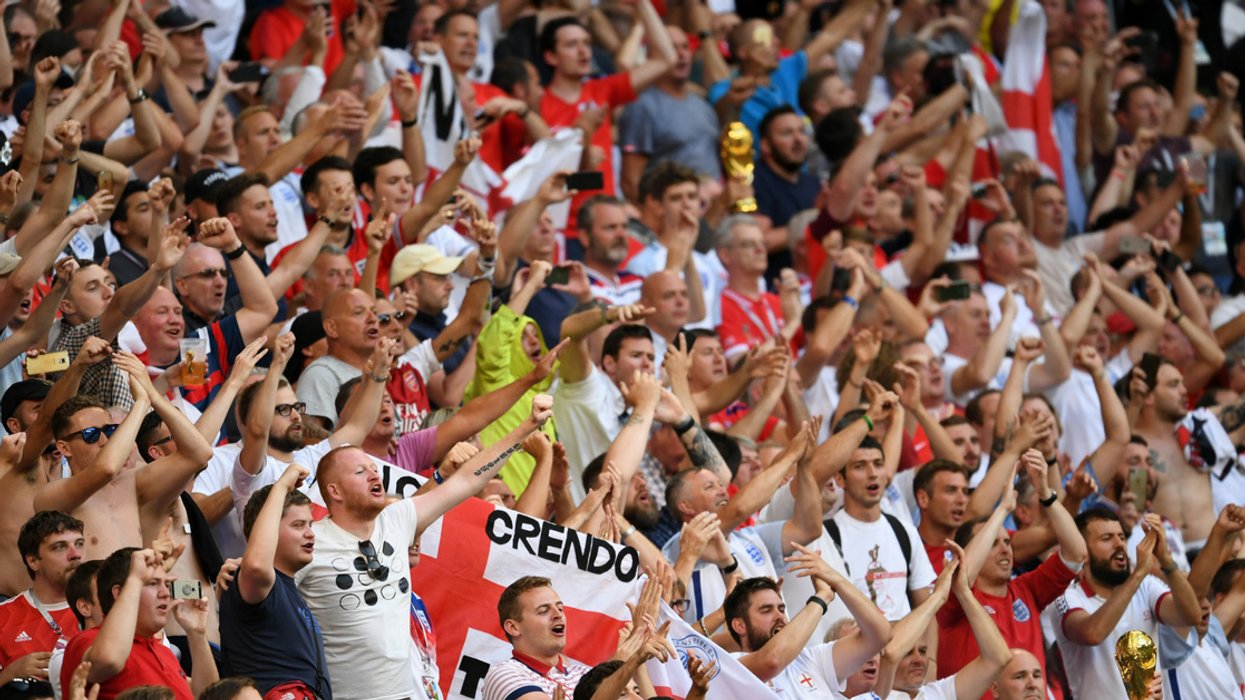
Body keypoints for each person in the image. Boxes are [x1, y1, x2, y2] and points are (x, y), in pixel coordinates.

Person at [295, 395, 553, 700]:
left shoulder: (397, 518)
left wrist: (526, 426)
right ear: (334, 491)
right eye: (361, 472)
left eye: (373, 467)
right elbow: (264, 594)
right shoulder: (311, 542)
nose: (374, 474)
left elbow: (469, 480)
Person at [1050, 507, 1202, 699]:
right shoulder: (1067, 597)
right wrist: (1138, 573)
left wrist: (1165, 559)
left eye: (1121, 537)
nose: (1119, 544)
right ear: (1083, 551)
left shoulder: (1145, 585)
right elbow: (1092, 634)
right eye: (1107, 538)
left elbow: (1191, 616)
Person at [219, 464, 328, 698]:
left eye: (310, 524)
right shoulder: (253, 579)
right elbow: (257, 565)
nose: (310, 533)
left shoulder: (286, 588)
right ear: (266, 529)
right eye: (298, 525)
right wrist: (281, 487)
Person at [726, 545, 891, 695]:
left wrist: (836, 580)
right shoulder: (730, 664)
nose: (779, 616)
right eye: (766, 610)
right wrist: (822, 597)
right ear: (740, 625)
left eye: (781, 609)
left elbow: (880, 635)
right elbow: (772, 662)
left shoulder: (812, 658)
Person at [61, 548, 217, 699]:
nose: (165, 593)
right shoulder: (87, 641)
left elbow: (208, 696)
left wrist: (197, 634)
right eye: (152, 583)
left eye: (166, 585)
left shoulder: (164, 652)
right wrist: (135, 578)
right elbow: (109, 661)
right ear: (119, 593)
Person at [0, 512, 84, 690]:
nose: (75, 554)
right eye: (60, 547)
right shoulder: (3, 615)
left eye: (79, 544)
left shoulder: (104, 606)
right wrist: (9, 674)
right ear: (33, 561)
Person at [481, 576, 592, 699]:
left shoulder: (584, 673)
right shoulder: (504, 674)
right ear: (513, 627)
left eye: (560, 608)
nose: (558, 614)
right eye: (544, 611)